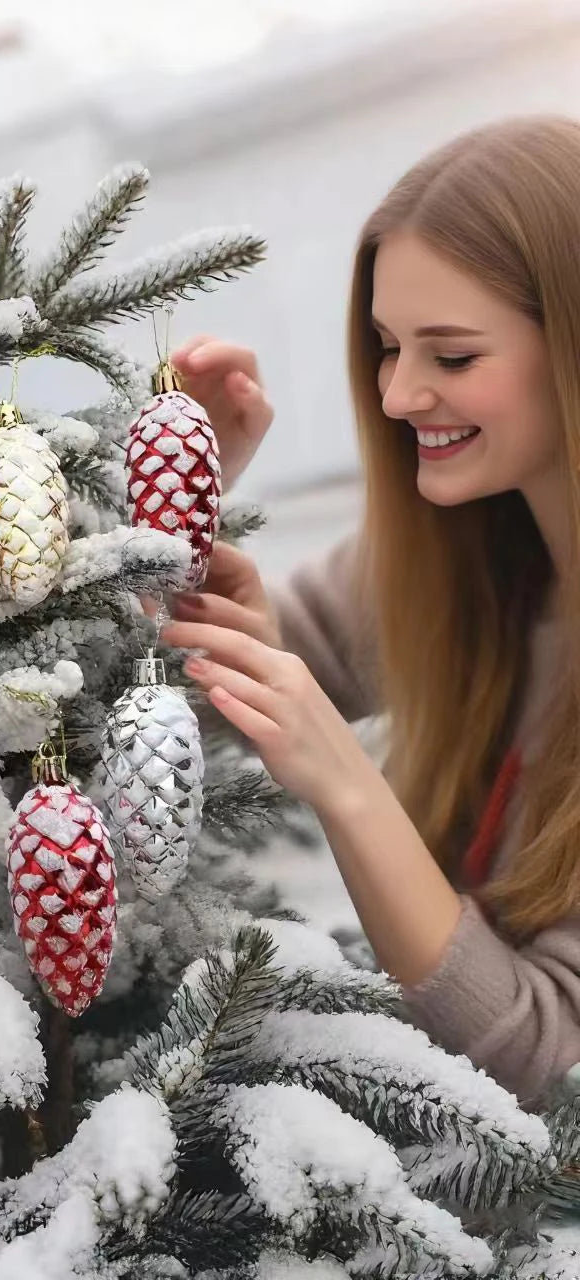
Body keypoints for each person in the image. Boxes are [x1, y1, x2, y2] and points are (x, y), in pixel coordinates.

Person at [157, 114, 580, 1109]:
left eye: (451, 355)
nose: (395, 393)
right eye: (387, 347)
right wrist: (175, 503)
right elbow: (145, 709)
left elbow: (544, 1059)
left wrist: (347, 785)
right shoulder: (448, 563)